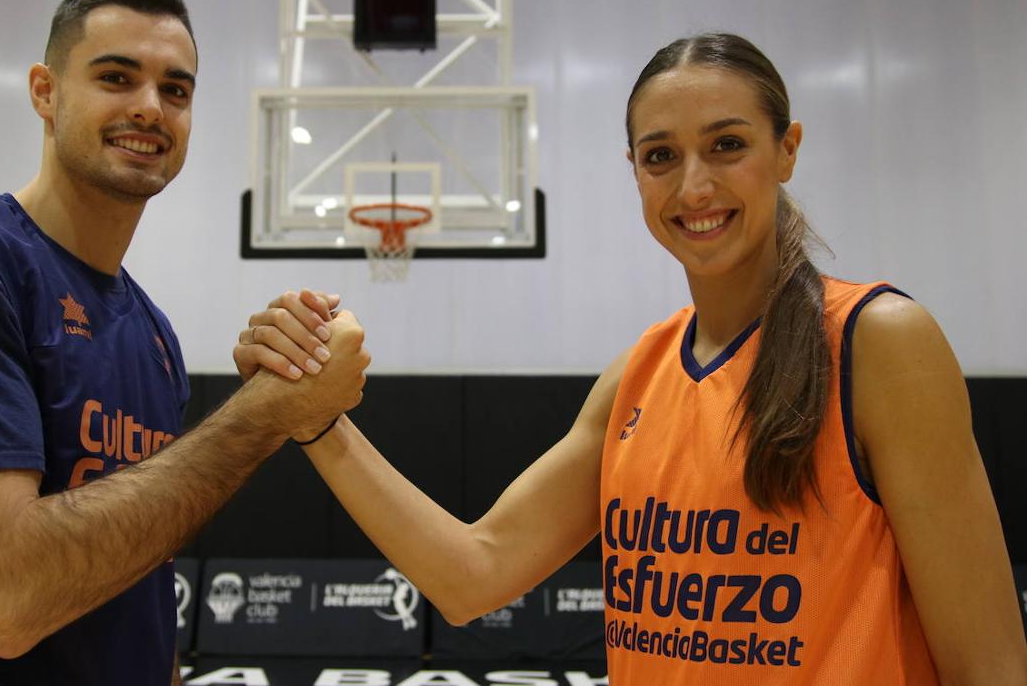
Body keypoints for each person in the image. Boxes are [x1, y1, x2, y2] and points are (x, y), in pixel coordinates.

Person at [235, 34, 1027, 684]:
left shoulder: (880, 343)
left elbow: (989, 665)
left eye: (727, 145)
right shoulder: (636, 375)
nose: (694, 185)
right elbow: (471, 576)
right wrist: (317, 422)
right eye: (660, 156)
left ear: (786, 150)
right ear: (635, 172)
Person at [0, 0, 369, 686]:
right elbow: (9, 597)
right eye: (116, 77)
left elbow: (139, 571)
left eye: (176, 91)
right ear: (45, 92)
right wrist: (265, 416)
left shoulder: (153, 334)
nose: (150, 106)